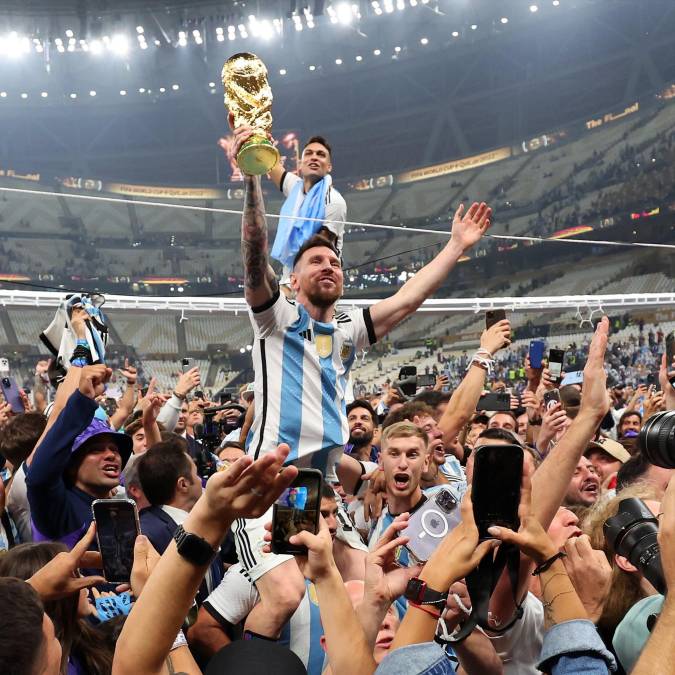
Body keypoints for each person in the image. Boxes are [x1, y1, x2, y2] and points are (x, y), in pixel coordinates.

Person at [231, 124, 492, 640]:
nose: (328, 265)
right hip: (272, 486)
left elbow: (408, 299)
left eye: (334, 261)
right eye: (315, 261)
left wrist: (455, 246)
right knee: (284, 593)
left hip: (324, 489)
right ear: (293, 279)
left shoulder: (349, 327)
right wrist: (254, 177)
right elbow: (255, 251)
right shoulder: (276, 317)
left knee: (370, 585)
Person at [26, 365, 133, 546]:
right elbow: (38, 479)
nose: (110, 455)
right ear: (71, 464)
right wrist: (82, 400)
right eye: (96, 450)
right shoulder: (59, 508)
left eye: (114, 449)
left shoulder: (117, 508)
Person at [137, 439, 222, 604]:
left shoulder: (204, 524)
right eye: (196, 474)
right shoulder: (146, 535)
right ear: (183, 484)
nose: (200, 480)